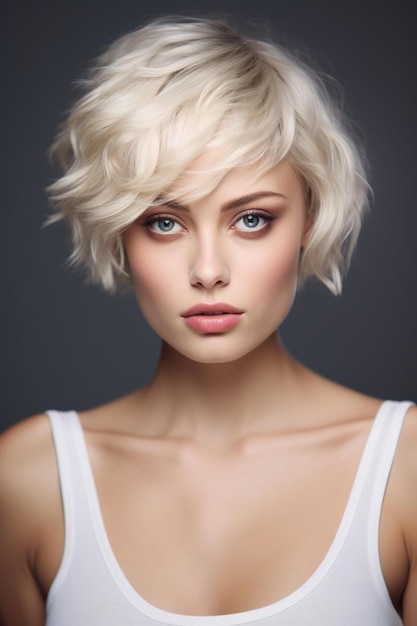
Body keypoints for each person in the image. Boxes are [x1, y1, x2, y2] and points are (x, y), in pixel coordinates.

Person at [0, 16, 415, 626]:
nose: (209, 270)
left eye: (251, 219)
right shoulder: (27, 479)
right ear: (120, 234)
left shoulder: (406, 469)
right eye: (164, 222)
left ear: (308, 219)